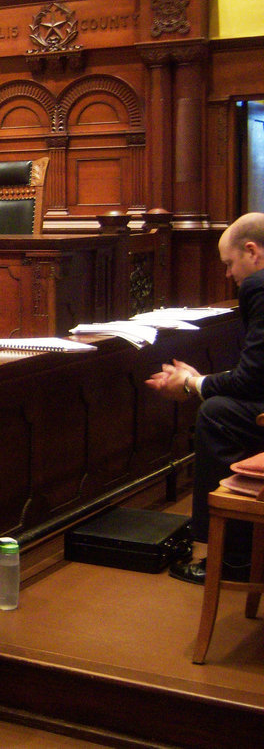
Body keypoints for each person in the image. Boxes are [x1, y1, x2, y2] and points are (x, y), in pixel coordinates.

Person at [147, 212, 264, 585]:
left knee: (217, 414)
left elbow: (252, 379)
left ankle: (232, 559)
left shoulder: (260, 285)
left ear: (252, 251)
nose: (229, 275)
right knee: (221, 407)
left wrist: (192, 385)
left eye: (230, 264)